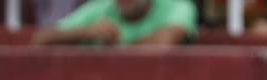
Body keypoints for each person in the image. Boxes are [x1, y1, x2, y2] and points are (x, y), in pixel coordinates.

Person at [32, 0, 197, 45]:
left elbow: (165, 42)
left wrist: (115, 48)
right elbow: (41, 39)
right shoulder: (101, 7)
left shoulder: (177, 6)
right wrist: (86, 32)